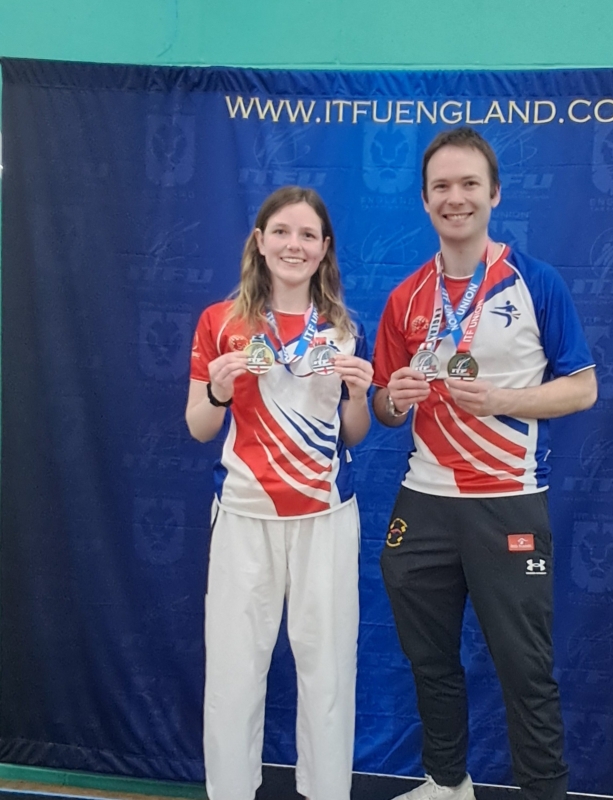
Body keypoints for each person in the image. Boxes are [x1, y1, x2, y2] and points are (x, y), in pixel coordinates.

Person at [372, 127, 597, 800]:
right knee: (429, 661)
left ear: (494, 194)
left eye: (469, 183)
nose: (456, 197)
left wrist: (499, 397)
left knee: (526, 667)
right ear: (424, 200)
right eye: (442, 186)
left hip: (509, 502)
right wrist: (393, 398)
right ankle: (447, 784)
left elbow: (582, 387)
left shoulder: (535, 282)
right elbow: (381, 408)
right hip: (424, 502)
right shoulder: (406, 297)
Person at [185, 186, 372, 800]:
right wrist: (215, 390)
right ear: (260, 242)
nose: (295, 244)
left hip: (326, 517)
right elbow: (199, 426)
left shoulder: (345, 329)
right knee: (235, 676)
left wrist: (355, 395)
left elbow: (356, 433)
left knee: (327, 675)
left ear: (324, 251)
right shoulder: (220, 322)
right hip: (243, 515)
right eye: (282, 232)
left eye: (308, 235)